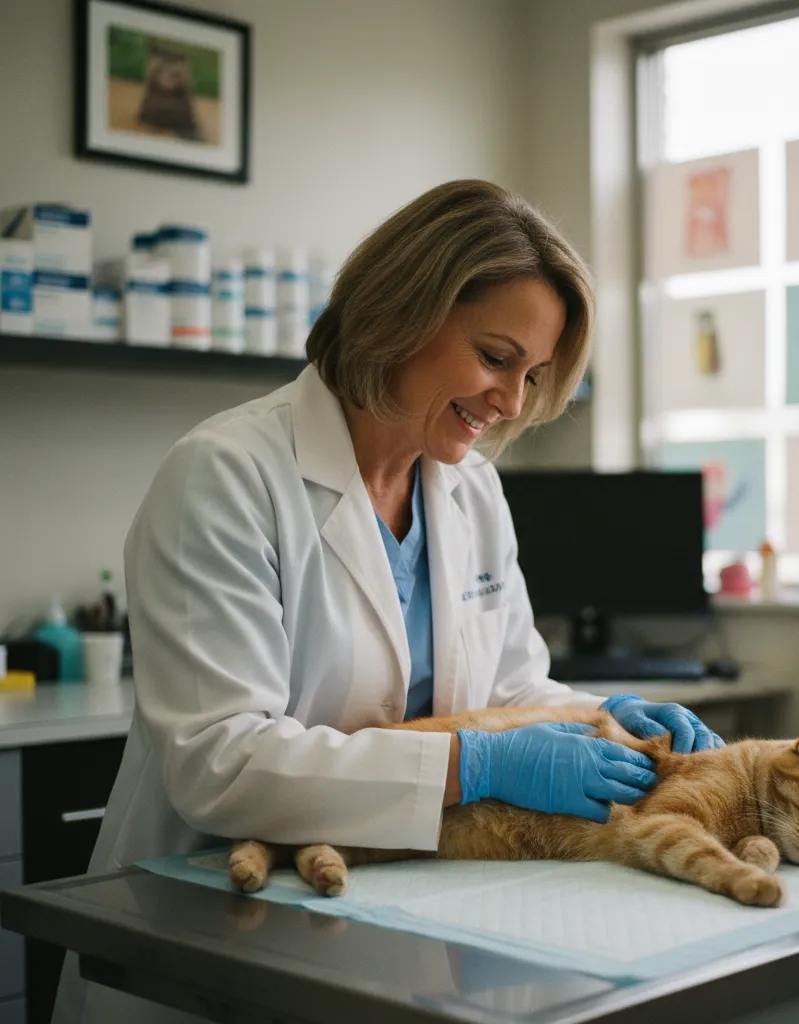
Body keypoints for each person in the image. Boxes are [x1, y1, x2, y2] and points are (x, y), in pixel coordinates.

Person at [54, 180, 719, 1022]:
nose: (512, 403)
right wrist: (469, 765)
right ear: (402, 314)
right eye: (495, 357)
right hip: (217, 924)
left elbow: (512, 694)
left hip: (391, 919)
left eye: (535, 374)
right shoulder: (226, 474)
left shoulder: (470, 489)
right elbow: (218, 762)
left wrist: (607, 718)